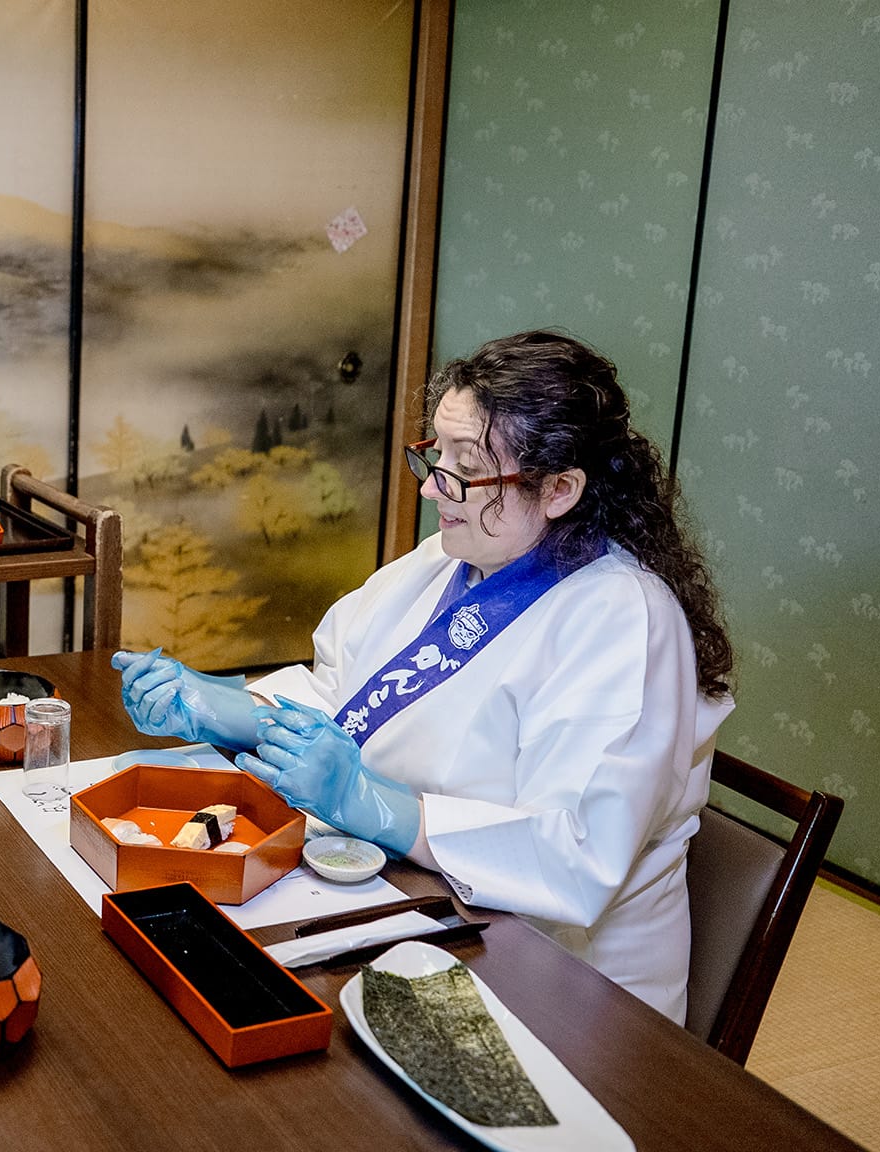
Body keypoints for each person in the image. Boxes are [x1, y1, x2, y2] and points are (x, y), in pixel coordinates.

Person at [115, 330, 735, 1022]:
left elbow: (573, 853)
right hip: (418, 905)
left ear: (560, 488)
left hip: (565, 981)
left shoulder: (624, 620)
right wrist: (226, 708)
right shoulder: (451, 558)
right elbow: (340, 691)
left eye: (464, 467)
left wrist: (375, 802)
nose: (436, 486)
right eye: (433, 455)